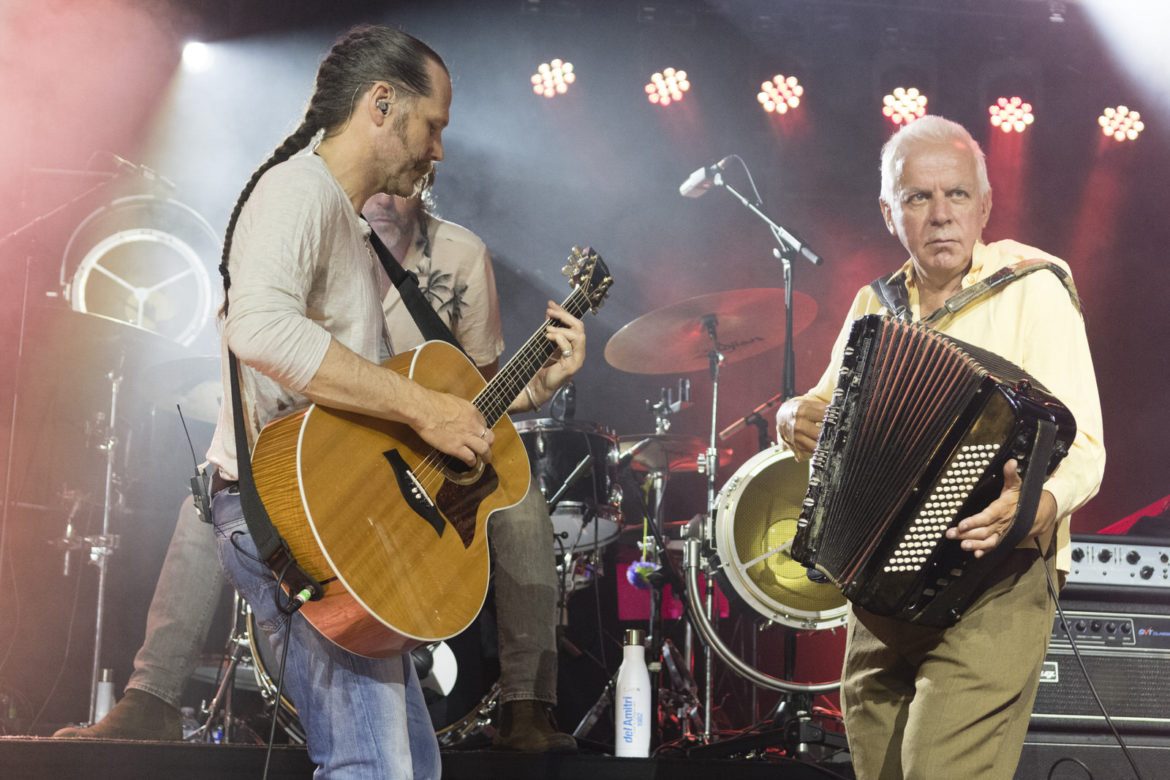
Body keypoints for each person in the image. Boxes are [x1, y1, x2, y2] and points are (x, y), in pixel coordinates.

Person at [53, 32, 580, 762]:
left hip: (336, 518)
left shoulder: (345, 220)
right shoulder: (297, 190)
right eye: (433, 126)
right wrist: (419, 404)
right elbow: (261, 327)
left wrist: (529, 391)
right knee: (373, 767)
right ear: (381, 104)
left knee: (411, 767)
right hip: (289, 522)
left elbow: (403, 402)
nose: (438, 150)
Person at [775, 115, 1105, 780]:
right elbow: (821, 409)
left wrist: (1035, 506)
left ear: (985, 204)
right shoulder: (876, 307)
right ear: (888, 212)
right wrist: (789, 417)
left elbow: (1088, 450)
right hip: (877, 593)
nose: (941, 215)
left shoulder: (1034, 288)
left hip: (994, 580)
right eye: (918, 198)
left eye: (956, 195)